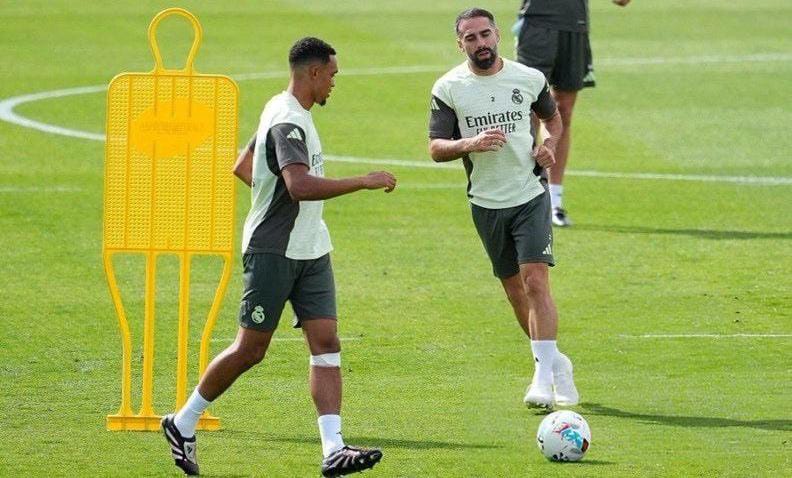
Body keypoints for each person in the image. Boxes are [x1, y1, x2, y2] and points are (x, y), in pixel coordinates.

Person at [161, 37, 396, 477]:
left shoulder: (281, 107)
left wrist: (269, 196)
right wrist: (363, 181)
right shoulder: (288, 121)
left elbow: (243, 165)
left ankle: (334, 449)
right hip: (274, 250)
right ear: (313, 73)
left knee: (326, 342)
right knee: (251, 349)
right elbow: (299, 186)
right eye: (332, 75)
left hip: (312, 248)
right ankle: (182, 421)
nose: (334, 83)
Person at [428, 8, 578, 409]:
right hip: (486, 203)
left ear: (497, 35)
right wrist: (470, 143)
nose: (480, 43)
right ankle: (556, 363)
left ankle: (542, 378)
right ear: (459, 44)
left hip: (529, 194)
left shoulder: (528, 78)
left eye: (485, 34)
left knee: (535, 282)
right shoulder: (449, 88)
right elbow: (435, 148)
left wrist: (548, 145)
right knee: (515, 292)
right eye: (470, 38)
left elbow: (553, 121)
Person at [515, 0, 631, 226]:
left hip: (575, 26)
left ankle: (554, 202)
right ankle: (523, 196)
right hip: (538, 24)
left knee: (563, 111)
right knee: (530, 110)